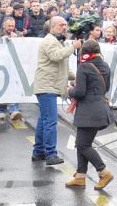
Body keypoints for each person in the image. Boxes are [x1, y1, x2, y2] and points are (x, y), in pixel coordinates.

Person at [65, 40, 115, 190]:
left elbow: (79, 92)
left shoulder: (84, 67)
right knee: (81, 143)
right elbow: (106, 88)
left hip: (88, 112)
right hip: (100, 109)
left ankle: (103, 172)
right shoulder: (105, 65)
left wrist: (69, 90)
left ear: (83, 53)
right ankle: (80, 177)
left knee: (83, 145)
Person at [32, 16, 82, 165]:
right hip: (47, 86)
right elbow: (56, 57)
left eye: (66, 25)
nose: (65, 28)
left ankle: (38, 151)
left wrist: (76, 76)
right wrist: (73, 47)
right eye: (61, 25)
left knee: (44, 120)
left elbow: (63, 66)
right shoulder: (49, 41)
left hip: (49, 86)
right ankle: (50, 153)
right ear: (52, 27)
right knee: (50, 122)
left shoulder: (57, 42)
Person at [0, 17, 23, 121]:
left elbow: (24, 49)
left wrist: (17, 41)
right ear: (4, 25)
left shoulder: (19, 34)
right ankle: (2, 110)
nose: (11, 28)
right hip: (1, 66)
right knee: (2, 87)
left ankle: (14, 109)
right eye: (9, 26)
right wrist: (1, 41)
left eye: (13, 26)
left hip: (14, 65)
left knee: (15, 86)